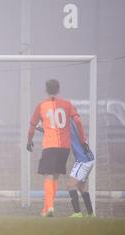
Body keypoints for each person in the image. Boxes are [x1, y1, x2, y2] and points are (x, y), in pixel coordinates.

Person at [26, 79, 87, 217]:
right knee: (55, 177)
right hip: (64, 147)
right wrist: (82, 140)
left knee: (48, 176)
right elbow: (77, 121)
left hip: (49, 145)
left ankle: (49, 207)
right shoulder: (67, 104)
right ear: (58, 89)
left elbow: (31, 128)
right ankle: (47, 207)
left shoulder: (41, 105)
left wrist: (29, 142)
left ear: (46, 90)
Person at [67, 119, 96, 218]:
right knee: (81, 186)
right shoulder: (75, 123)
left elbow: (57, 135)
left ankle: (77, 213)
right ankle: (91, 214)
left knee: (71, 184)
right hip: (89, 159)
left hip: (83, 160)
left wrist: (41, 128)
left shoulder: (68, 124)